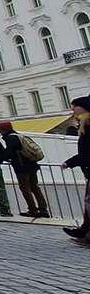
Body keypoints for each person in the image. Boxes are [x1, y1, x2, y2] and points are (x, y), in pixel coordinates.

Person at [0, 121, 50, 218]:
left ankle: (32, 210)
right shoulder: (18, 135)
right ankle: (43, 210)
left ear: (4, 130)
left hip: (22, 167)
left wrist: (0, 158)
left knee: (25, 188)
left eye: (0, 130)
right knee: (35, 187)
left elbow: (9, 153)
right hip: (32, 164)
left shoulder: (11, 138)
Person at [60, 97, 90, 239]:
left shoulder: (87, 124)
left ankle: (85, 230)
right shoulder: (84, 124)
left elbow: (87, 152)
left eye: (75, 107)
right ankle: (85, 230)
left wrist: (70, 162)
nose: (72, 109)